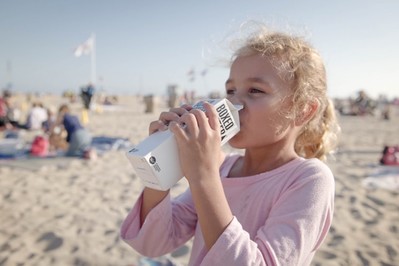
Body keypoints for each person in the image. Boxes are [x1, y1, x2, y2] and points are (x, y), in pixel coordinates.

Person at [120, 24, 340, 265]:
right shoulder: (223, 168)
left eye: (255, 90)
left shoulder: (309, 179)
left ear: (302, 111)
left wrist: (204, 177)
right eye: (230, 90)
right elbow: (153, 244)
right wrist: (162, 168)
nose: (234, 102)